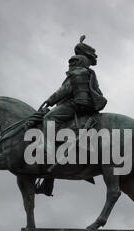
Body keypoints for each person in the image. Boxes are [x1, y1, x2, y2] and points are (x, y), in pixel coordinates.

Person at [35, 35, 106, 196]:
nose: (70, 64)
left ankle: (48, 150)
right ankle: (48, 182)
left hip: (75, 105)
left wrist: (50, 100)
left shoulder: (77, 71)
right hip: (87, 106)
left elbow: (65, 90)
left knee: (48, 118)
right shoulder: (90, 72)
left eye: (72, 62)